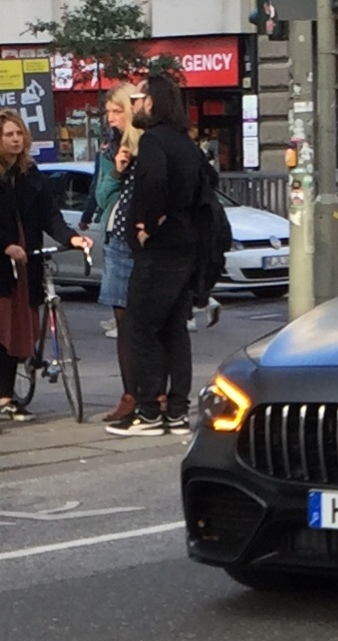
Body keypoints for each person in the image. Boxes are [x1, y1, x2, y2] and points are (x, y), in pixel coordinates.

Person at [105, 74, 204, 437]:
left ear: (152, 101)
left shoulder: (154, 142)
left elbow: (155, 182)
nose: (134, 105)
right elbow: (203, 186)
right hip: (185, 246)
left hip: (159, 250)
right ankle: (176, 411)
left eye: (137, 98)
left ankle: (148, 412)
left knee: (140, 327)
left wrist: (148, 223)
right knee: (175, 329)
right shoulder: (185, 142)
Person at [0, 110, 93, 422]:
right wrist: (5, 245)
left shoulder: (30, 173)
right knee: (2, 329)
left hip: (28, 261)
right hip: (3, 263)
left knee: (18, 330)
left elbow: (50, 214)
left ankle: (7, 395)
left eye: (18, 134)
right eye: (8, 134)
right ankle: (4, 396)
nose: (15, 139)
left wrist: (73, 238)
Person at [93, 82, 146, 421]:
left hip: (144, 241)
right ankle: (129, 395)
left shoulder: (149, 145)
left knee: (149, 324)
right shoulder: (109, 148)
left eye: (118, 112)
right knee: (123, 325)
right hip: (116, 241)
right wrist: (116, 170)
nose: (111, 118)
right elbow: (100, 198)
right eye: (108, 112)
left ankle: (155, 395)